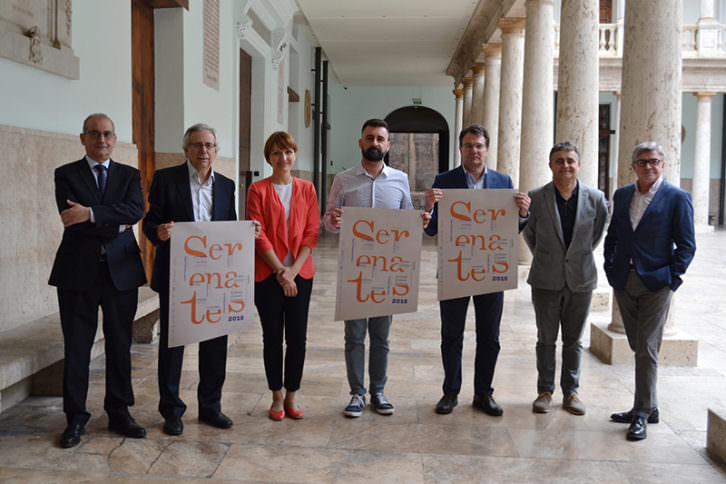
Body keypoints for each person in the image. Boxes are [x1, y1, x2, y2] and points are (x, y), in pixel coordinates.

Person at [49, 113, 147, 448]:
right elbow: (69, 219)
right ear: (83, 138)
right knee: (77, 348)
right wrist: (113, 221)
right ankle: (75, 419)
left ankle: (119, 412)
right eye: (94, 134)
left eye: (107, 134)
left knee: (120, 345)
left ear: (114, 139)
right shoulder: (66, 174)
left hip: (121, 271)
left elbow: (135, 211)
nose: (101, 140)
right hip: (78, 273)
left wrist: (90, 213)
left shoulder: (129, 175)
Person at [324, 118, 430, 418]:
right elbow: (329, 221)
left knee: (382, 336)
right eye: (369, 138)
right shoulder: (343, 180)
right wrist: (334, 221)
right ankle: (357, 393)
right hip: (355, 269)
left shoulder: (400, 179)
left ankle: (379, 391)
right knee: (355, 335)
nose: (374, 143)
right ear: (361, 142)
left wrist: (419, 221)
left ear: (388, 145)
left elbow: (407, 217)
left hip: (387, 270)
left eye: (380, 139)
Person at [424, 124, 530, 416]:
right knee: (452, 335)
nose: (474, 151)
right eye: (468, 145)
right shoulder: (444, 181)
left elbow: (510, 229)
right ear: (460, 149)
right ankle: (450, 392)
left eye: (479, 145)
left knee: (490, 337)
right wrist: (429, 207)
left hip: (490, 270)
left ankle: (484, 393)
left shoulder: (503, 181)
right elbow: (432, 230)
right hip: (455, 269)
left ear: (487, 148)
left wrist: (523, 214)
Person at [143, 123, 238, 436]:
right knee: (174, 345)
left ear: (216, 150)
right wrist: (158, 233)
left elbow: (231, 228)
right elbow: (150, 222)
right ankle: (171, 411)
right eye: (197, 145)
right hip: (177, 276)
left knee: (215, 344)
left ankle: (211, 407)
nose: (203, 151)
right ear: (186, 150)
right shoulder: (166, 179)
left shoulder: (226, 185)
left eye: (209, 145)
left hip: (215, 278)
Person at [604, 141, 696, 441]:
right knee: (636, 343)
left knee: (646, 347)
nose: (648, 167)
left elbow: (686, 244)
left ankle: (641, 412)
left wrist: (672, 277)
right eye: (642, 162)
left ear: (663, 165)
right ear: (633, 166)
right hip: (624, 280)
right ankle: (649, 406)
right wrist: (610, 265)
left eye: (654, 161)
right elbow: (614, 235)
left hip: (657, 283)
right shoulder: (622, 195)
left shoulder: (677, 198)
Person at [522, 142, 608, 416]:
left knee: (574, 340)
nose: (565, 165)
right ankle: (544, 391)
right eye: (559, 161)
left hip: (580, 279)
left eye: (570, 160)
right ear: (550, 165)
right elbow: (530, 234)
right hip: (545, 279)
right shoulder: (536, 197)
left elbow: (596, 234)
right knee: (546, 339)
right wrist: (550, 257)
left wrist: (573, 257)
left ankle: (571, 392)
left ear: (578, 164)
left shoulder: (596, 199)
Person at [247, 131, 320, 421]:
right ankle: (276, 394)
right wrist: (280, 271)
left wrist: (293, 271)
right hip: (267, 274)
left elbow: (312, 231)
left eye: (288, 152)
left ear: (295, 154)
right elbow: (258, 233)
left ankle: (292, 394)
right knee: (272, 337)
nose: (283, 158)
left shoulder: (307, 189)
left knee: (298, 337)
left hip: (301, 273)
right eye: (277, 153)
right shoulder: (258, 190)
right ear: (269, 157)